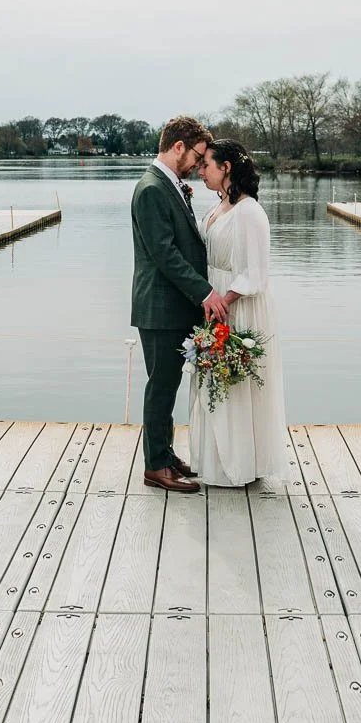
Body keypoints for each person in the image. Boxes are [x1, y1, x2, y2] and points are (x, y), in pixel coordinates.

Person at [130, 116, 224, 493]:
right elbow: (165, 254)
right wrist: (205, 292)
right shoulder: (152, 189)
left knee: (167, 386)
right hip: (159, 307)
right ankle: (155, 466)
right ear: (178, 146)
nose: (199, 166)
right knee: (161, 387)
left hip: (171, 306)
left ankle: (165, 455)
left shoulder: (168, 185)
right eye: (197, 156)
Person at [188, 138, 288, 487]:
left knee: (236, 385)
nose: (201, 171)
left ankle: (243, 464)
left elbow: (256, 272)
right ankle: (215, 461)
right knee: (215, 384)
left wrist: (224, 301)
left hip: (238, 306)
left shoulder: (250, 212)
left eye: (207, 165)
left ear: (226, 168)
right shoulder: (218, 208)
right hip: (214, 303)